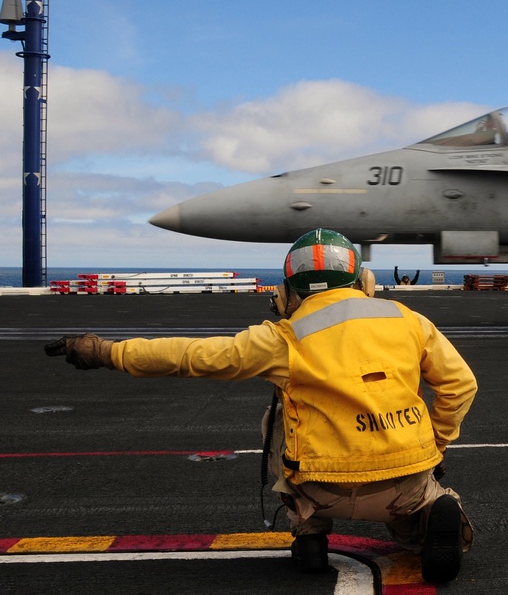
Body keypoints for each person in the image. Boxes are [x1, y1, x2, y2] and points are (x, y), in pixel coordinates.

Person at [44, 229, 477, 583]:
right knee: (415, 524)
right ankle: (428, 520)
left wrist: (104, 351)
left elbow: (191, 356)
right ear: (364, 282)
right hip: (401, 483)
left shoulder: (283, 337)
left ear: (287, 292)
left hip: (321, 490)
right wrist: (436, 444)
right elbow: (459, 385)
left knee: (274, 420)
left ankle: (309, 536)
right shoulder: (409, 320)